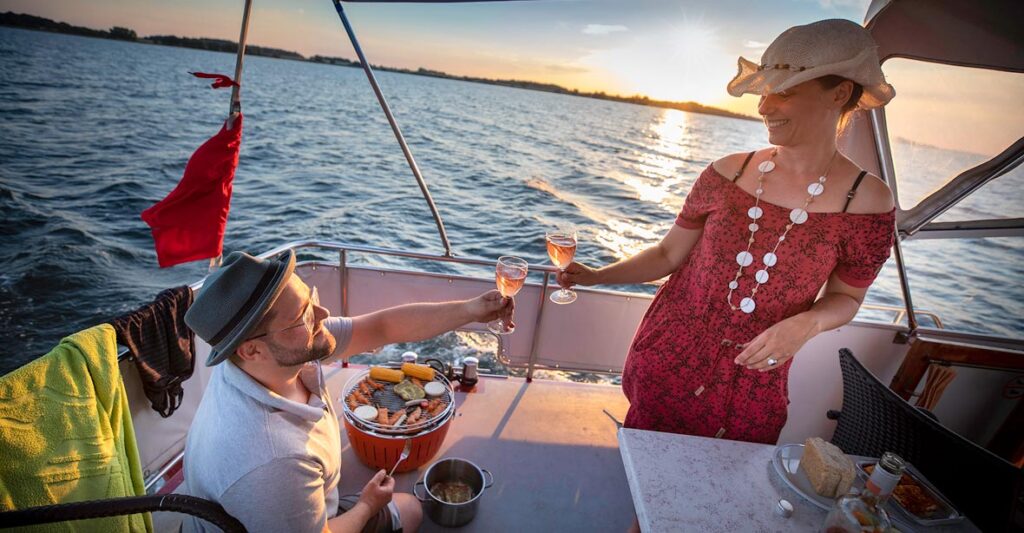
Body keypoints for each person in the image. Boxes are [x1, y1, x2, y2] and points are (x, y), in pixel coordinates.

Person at [559, 19, 897, 445]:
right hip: (668, 357)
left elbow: (846, 299)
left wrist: (807, 324)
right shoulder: (726, 172)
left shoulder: (868, 203)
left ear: (839, 93)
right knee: (647, 479)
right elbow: (667, 256)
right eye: (765, 91)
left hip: (754, 383)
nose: (764, 107)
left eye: (784, 92)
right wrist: (597, 276)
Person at [181, 249, 513, 532]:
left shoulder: (255, 363)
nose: (322, 315)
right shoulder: (272, 460)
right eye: (303, 316)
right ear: (252, 350)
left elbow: (380, 327)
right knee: (410, 509)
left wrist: (471, 310)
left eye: (311, 299)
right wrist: (367, 505)